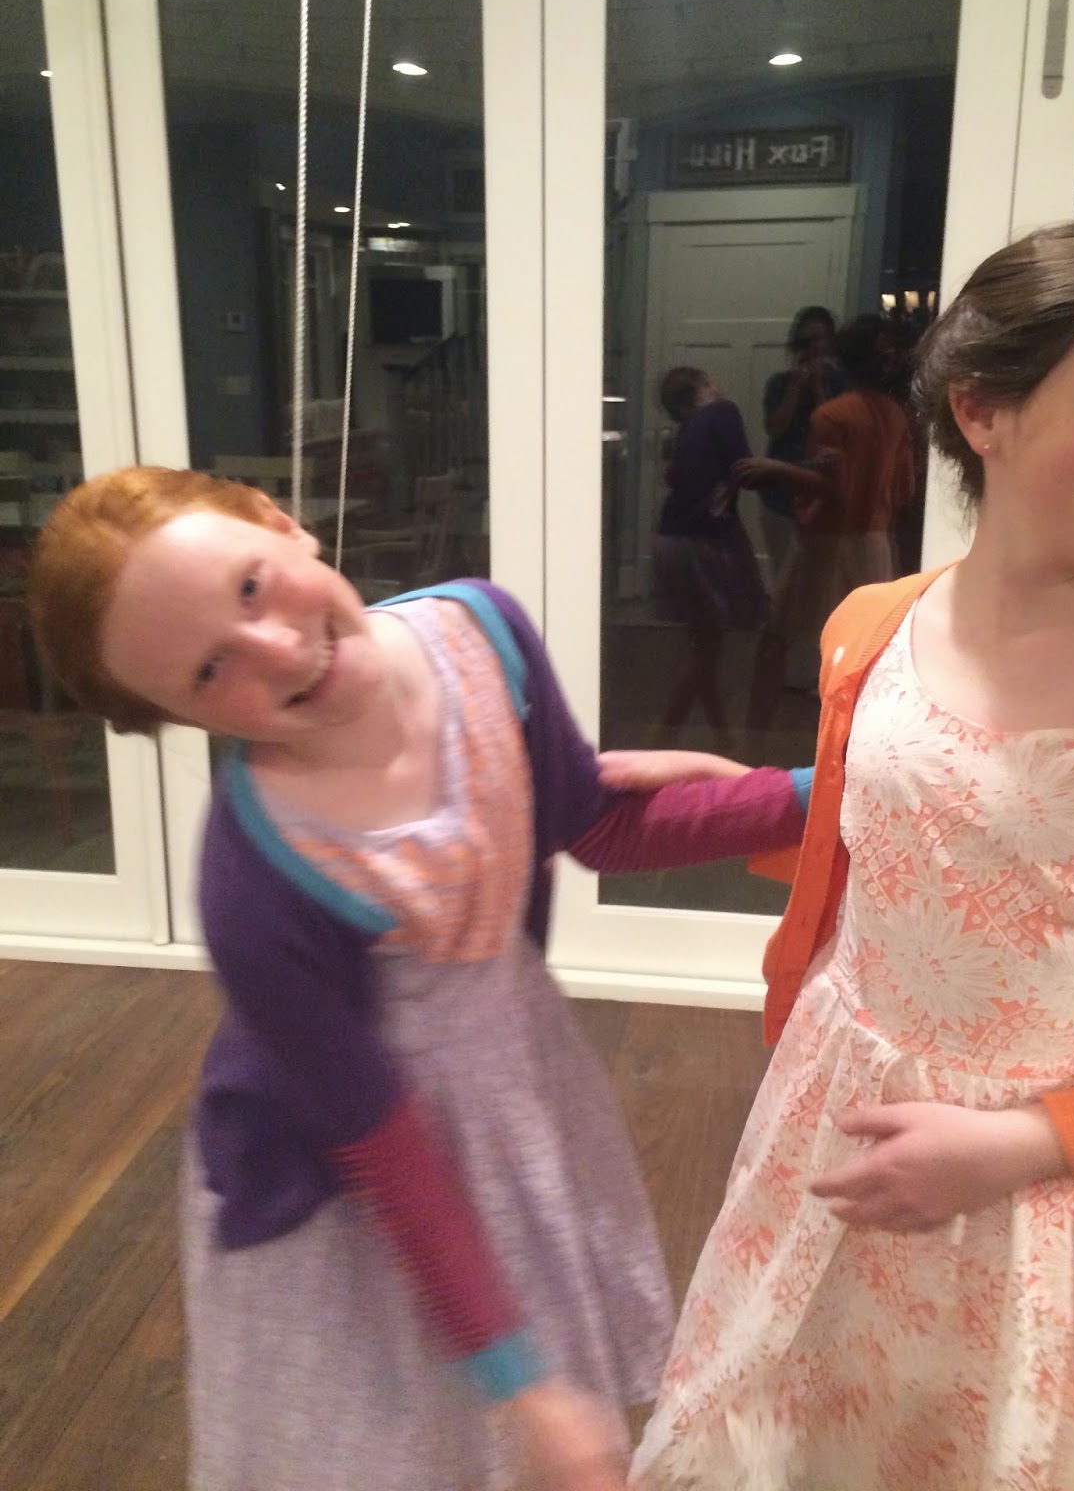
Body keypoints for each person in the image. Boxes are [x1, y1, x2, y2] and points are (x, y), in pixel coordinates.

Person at [27, 465, 813, 1491]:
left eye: (251, 587)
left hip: (512, 1085)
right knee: (391, 1439)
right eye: (210, 671)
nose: (276, 651)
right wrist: (520, 1380)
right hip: (353, 1183)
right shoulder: (256, 874)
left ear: (281, 522)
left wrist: (817, 789)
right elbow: (378, 1136)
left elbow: (591, 822)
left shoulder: (484, 636)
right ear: (177, 715)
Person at [625, 219, 1074, 1489]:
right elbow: (919, 824)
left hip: (1038, 1212)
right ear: (984, 408)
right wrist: (724, 800)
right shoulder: (872, 625)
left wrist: (1024, 1143)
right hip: (827, 1137)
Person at [742, 314, 915, 735]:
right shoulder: (895, 414)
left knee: (776, 639)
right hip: (875, 541)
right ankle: (857, 750)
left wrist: (775, 469)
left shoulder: (833, 415)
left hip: (826, 541)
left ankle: (753, 741)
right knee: (865, 652)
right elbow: (905, 488)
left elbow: (836, 490)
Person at [652, 367, 768, 744]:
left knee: (704, 643)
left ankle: (721, 735)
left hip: (673, 538)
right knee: (708, 645)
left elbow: (676, 479)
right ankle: (663, 737)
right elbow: (745, 468)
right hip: (705, 541)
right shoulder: (722, 412)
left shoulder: (686, 430)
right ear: (702, 386)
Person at [756, 306, 844, 576]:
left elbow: (836, 431)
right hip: (779, 496)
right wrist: (795, 387)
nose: (812, 347)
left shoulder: (841, 383)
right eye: (805, 341)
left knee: (820, 578)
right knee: (784, 575)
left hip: (823, 497)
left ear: (831, 341)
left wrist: (819, 388)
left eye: (818, 339)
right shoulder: (779, 383)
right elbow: (775, 429)